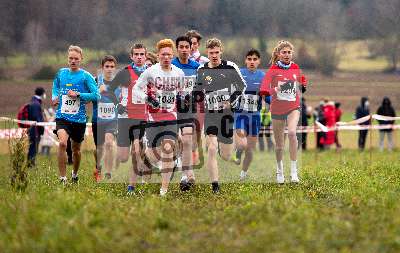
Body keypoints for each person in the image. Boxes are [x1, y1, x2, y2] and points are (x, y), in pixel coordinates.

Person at [193, 38, 246, 193]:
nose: (214, 55)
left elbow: (241, 86)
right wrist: (195, 97)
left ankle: (234, 148)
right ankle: (215, 185)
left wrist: (230, 100)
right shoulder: (202, 70)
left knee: (225, 155)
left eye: (217, 52)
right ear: (207, 53)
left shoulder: (229, 67)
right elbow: (197, 89)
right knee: (211, 149)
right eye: (211, 53)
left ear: (221, 52)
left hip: (227, 115)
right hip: (211, 114)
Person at [134, 39, 185, 196]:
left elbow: (182, 93)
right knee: (153, 154)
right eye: (163, 55)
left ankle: (164, 189)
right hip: (153, 118)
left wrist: (185, 100)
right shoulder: (150, 72)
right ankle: (162, 163)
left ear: (172, 55)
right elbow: (136, 89)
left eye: (169, 55)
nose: (166, 57)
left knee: (168, 149)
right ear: (158, 55)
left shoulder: (179, 73)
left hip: (170, 117)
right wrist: (148, 99)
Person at [260, 40, 307, 184]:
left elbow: (301, 80)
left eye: (289, 52)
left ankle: (294, 172)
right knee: (279, 145)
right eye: (284, 52)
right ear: (278, 54)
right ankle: (280, 171)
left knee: (292, 133)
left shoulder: (295, 67)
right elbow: (263, 90)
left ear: (292, 54)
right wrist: (276, 90)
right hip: (277, 109)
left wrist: (303, 84)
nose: (287, 55)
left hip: (293, 107)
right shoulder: (273, 70)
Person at [52, 45, 99, 184]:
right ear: (67, 59)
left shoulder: (86, 76)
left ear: (81, 59)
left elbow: (96, 95)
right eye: (70, 58)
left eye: (76, 59)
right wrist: (54, 97)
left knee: (76, 150)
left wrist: (79, 94)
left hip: (79, 119)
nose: (73, 61)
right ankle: (62, 178)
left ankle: (74, 173)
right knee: (61, 143)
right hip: (62, 116)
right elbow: (55, 86)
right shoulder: (61, 73)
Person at [109, 43, 149, 193]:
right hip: (125, 117)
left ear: (146, 56)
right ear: (132, 57)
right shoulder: (125, 73)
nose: (139, 57)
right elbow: (110, 90)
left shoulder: (151, 73)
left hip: (142, 117)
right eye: (136, 55)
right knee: (123, 156)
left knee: (136, 151)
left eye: (142, 54)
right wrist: (117, 104)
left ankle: (131, 187)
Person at [171, 35, 201, 191]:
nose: (183, 50)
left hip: (188, 108)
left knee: (187, 140)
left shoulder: (196, 67)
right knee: (174, 142)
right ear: (177, 49)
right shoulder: (170, 65)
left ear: (191, 48)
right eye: (181, 47)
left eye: (186, 47)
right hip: (170, 108)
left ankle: (185, 176)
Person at [233, 49, 265, 181]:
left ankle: (243, 174)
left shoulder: (262, 76)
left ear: (259, 61)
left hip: (255, 116)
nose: (252, 62)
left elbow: (266, 96)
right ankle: (238, 152)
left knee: (250, 150)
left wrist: (272, 100)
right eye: (249, 59)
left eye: (255, 59)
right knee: (242, 144)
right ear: (246, 60)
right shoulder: (239, 73)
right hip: (240, 115)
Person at [92, 55, 118, 181]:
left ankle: (108, 172)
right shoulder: (95, 81)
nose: (109, 69)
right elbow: (88, 97)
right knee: (99, 148)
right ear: (102, 68)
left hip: (112, 120)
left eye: (112, 67)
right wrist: (97, 92)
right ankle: (98, 166)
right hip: (98, 119)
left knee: (109, 143)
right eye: (107, 66)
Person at [27, 87, 46, 167]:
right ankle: (31, 163)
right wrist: (41, 128)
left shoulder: (34, 102)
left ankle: (31, 162)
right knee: (33, 147)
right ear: (42, 93)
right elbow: (36, 117)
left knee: (33, 146)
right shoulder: (36, 103)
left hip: (33, 128)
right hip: (35, 129)